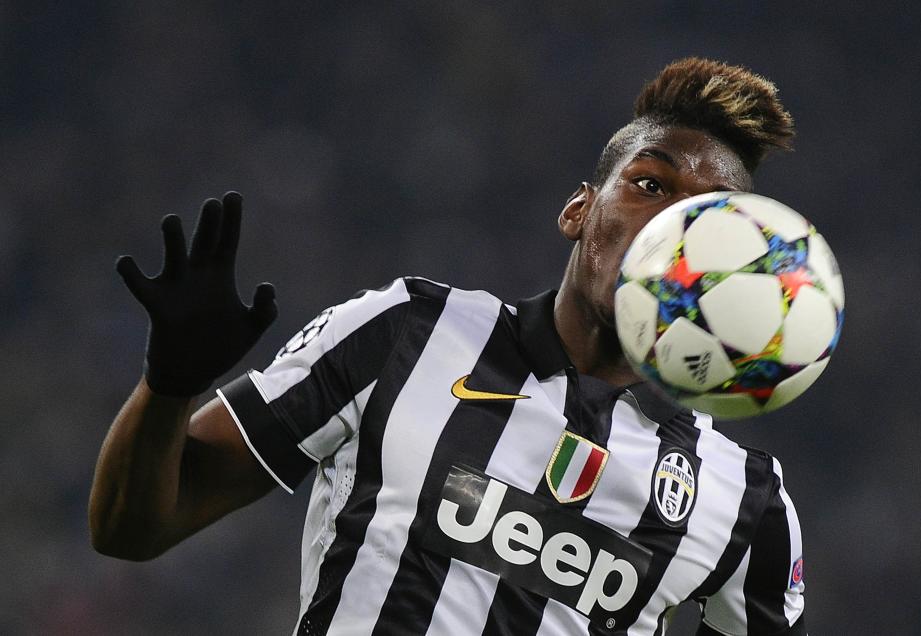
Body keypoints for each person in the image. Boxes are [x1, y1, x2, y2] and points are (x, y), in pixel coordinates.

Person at [90, 57, 806, 635]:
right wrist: (168, 382)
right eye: (649, 185)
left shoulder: (743, 498)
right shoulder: (403, 333)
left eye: (704, 220)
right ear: (579, 211)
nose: (666, 230)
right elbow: (132, 528)